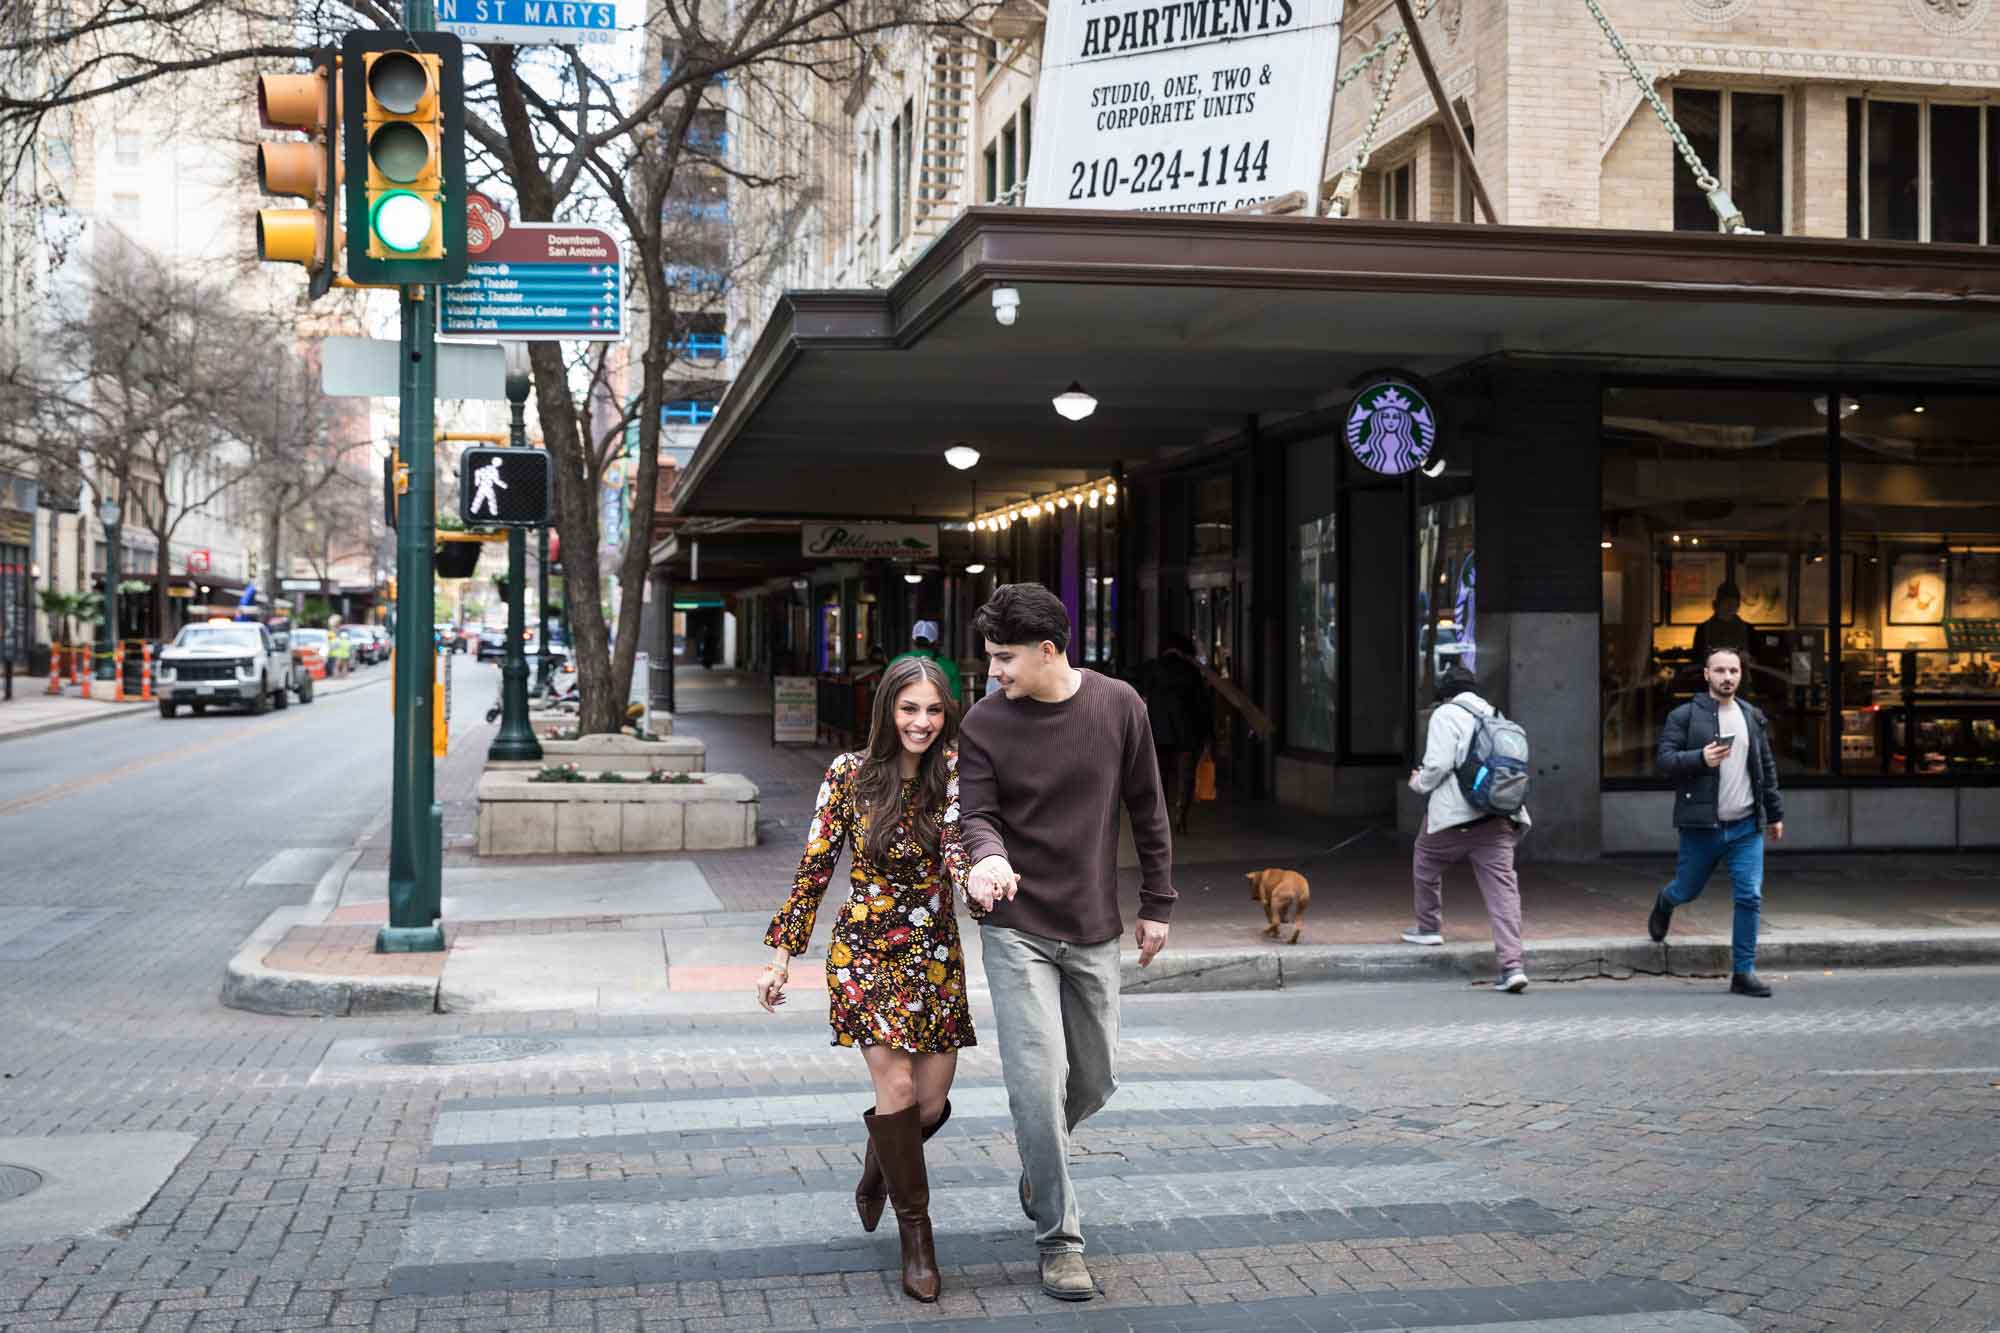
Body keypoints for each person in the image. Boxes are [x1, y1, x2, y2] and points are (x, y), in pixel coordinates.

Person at [957, 583, 1175, 1303]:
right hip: (1015, 926)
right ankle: (1060, 1239)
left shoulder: (1120, 705)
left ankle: (1038, 1159)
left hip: (1092, 926)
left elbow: (1148, 805)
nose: (994, 672)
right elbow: (977, 816)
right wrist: (987, 857)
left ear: (1048, 649)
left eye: (1004, 658)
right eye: (991, 658)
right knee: (1035, 1082)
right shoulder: (985, 723)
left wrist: (1158, 902)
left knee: (1096, 1078)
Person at [756, 655, 973, 1304]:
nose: (923, 721)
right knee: (899, 1084)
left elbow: (966, 849)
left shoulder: (958, 773)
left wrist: (987, 883)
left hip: (935, 958)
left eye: (934, 709)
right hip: (866, 955)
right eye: (910, 708)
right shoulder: (850, 775)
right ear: (887, 710)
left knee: (926, 1105)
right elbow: (814, 866)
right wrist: (781, 953)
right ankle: (918, 1238)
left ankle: (882, 1163)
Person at [1649, 645, 1785, 997]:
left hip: (1745, 825)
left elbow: (1765, 768)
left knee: (1749, 896)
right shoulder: (1685, 716)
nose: (1727, 677)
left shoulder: (1752, 716)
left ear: (1741, 675)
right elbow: (1664, 761)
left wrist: (1775, 813)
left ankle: (1743, 972)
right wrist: (1700, 758)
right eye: (1720, 671)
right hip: (1702, 825)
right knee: (1687, 890)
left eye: (1734, 671)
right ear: (1707, 674)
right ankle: (1666, 901)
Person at [1402, 666, 1532, 993]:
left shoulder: (1445, 714)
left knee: (1425, 859)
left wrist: (1418, 783)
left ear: (1444, 693)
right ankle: (1512, 966)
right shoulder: (1495, 714)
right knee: (1503, 891)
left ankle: (1429, 927)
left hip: (1456, 816)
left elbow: (1438, 764)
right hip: (1499, 814)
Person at [1139, 633, 1213, 835]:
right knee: (1186, 776)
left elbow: (1141, 696)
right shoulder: (1192, 670)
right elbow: (1202, 705)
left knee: (1160, 777)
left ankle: (1159, 819)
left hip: (1160, 731)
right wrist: (1208, 734)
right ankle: (1181, 815)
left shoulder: (1153, 668)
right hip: (1188, 731)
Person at [891, 620, 961, 702]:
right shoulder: (950, 667)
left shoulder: (896, 663)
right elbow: (955, 703)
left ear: (913, 640)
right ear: (935, 642)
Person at [1690, 582, 1751, 675]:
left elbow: (1757, 658)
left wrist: (1749, 658)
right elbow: (1696, 658)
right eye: (1726, 603)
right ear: (1717, 604)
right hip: (1711, 681)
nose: (1729, 607)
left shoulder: (1749, 629)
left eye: (1732, 603)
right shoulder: (1703, 629)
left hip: (1740, 682)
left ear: (1738, 606)